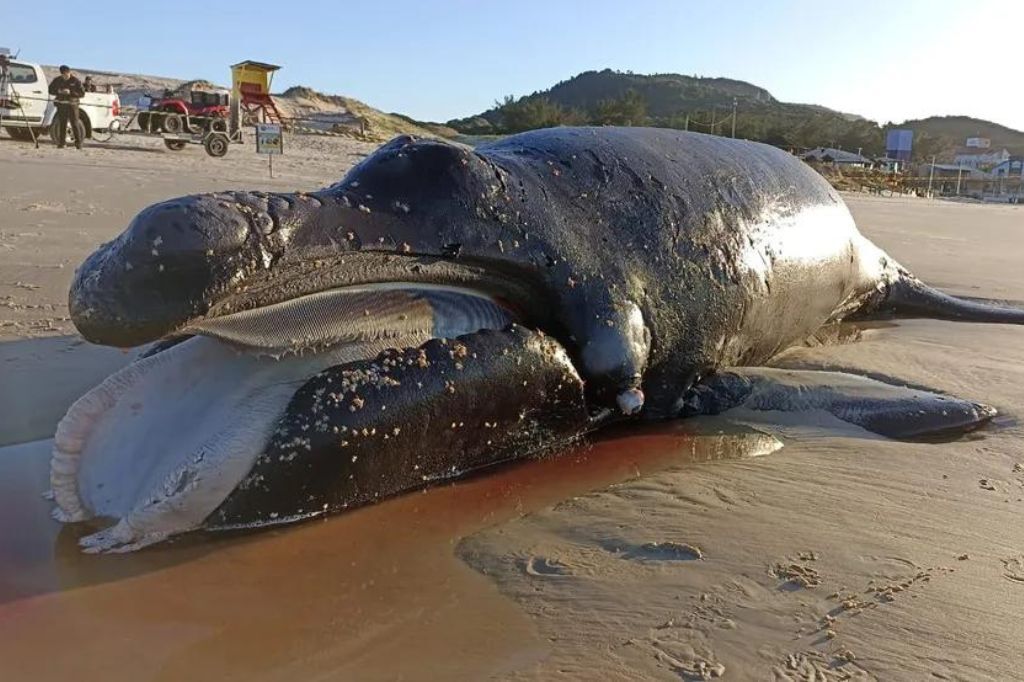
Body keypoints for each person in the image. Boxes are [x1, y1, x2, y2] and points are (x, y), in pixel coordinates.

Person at [48, 65, 85, 149]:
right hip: (61, 105)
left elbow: (82, 93)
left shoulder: (75, 81)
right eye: (63, 75)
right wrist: (59, 91)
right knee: (62, 124)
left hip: (72, 105)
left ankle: (78, 143)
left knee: (75, 123)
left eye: (66, 74)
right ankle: (62, 143)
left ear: (69, 72)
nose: (65, 76)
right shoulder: (57, 80)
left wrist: (70, 92)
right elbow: (50, 90)